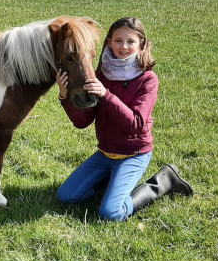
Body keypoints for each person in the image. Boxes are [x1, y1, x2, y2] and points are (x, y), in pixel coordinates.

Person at [56, 17, 193, 221]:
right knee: (66, 196)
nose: (124, 46)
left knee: (111, 213)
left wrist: (106, 96)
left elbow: (136, 125)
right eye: (118, 40)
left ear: (142, 44)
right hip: (105, 153)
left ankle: (164, 182)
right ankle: (112, 180)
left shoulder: (147, 79)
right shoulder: (101, 75)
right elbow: (82, 122)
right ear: (109, 42)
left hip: (133, 154)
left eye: (131, 41)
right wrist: (64, 95)